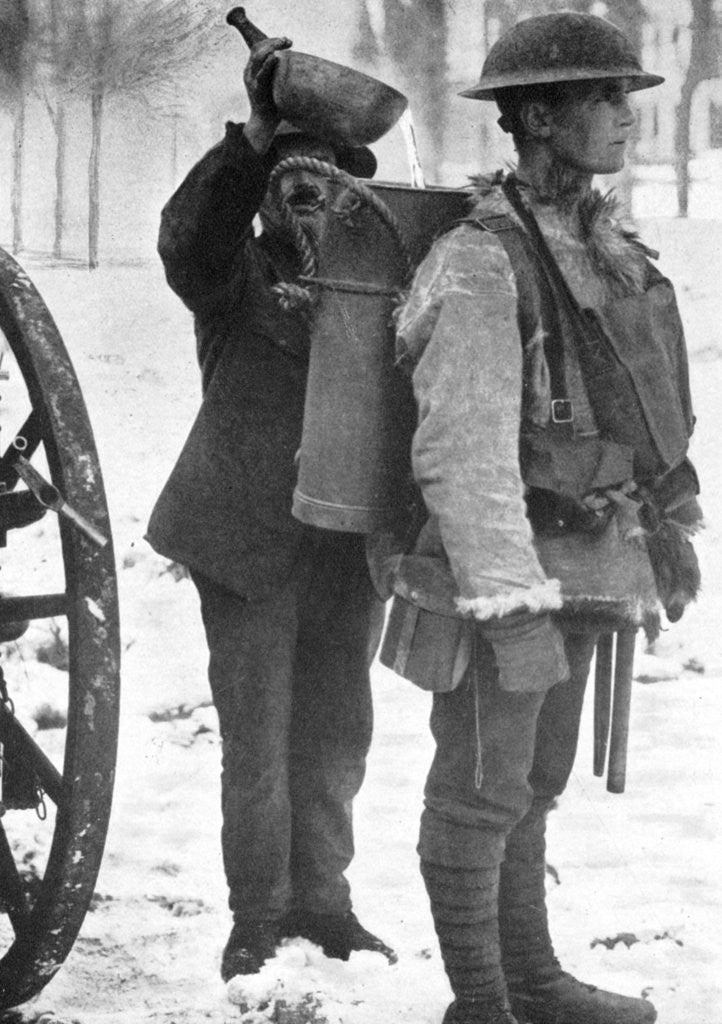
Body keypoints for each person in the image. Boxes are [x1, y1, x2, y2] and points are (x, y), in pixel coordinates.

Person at [382, 12, 702, 1024]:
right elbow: (461, 452)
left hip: (587, 558)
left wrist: (666, 519)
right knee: (479, 789)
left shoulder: (601, 249)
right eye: (602, 97)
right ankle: (480, 1004)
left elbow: (632, 405)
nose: (625, 115)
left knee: (535, 779)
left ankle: (531, 980)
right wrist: (508, 606)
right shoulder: (481, 261)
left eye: (623, 95)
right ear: (538, 119)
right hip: (499, 572)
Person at [146, 33, 394, 980]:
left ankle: (325, 904)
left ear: (350, 189)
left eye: (323, 172)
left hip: (343, 540)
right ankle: (257, 917)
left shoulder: (376, 286)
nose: (305, 189)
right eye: (286, 172)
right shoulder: (230, 273)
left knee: (337, 729)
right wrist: (252, 137)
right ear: (263, 190)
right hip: (244, 539)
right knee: (258, 739)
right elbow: (187, 238)